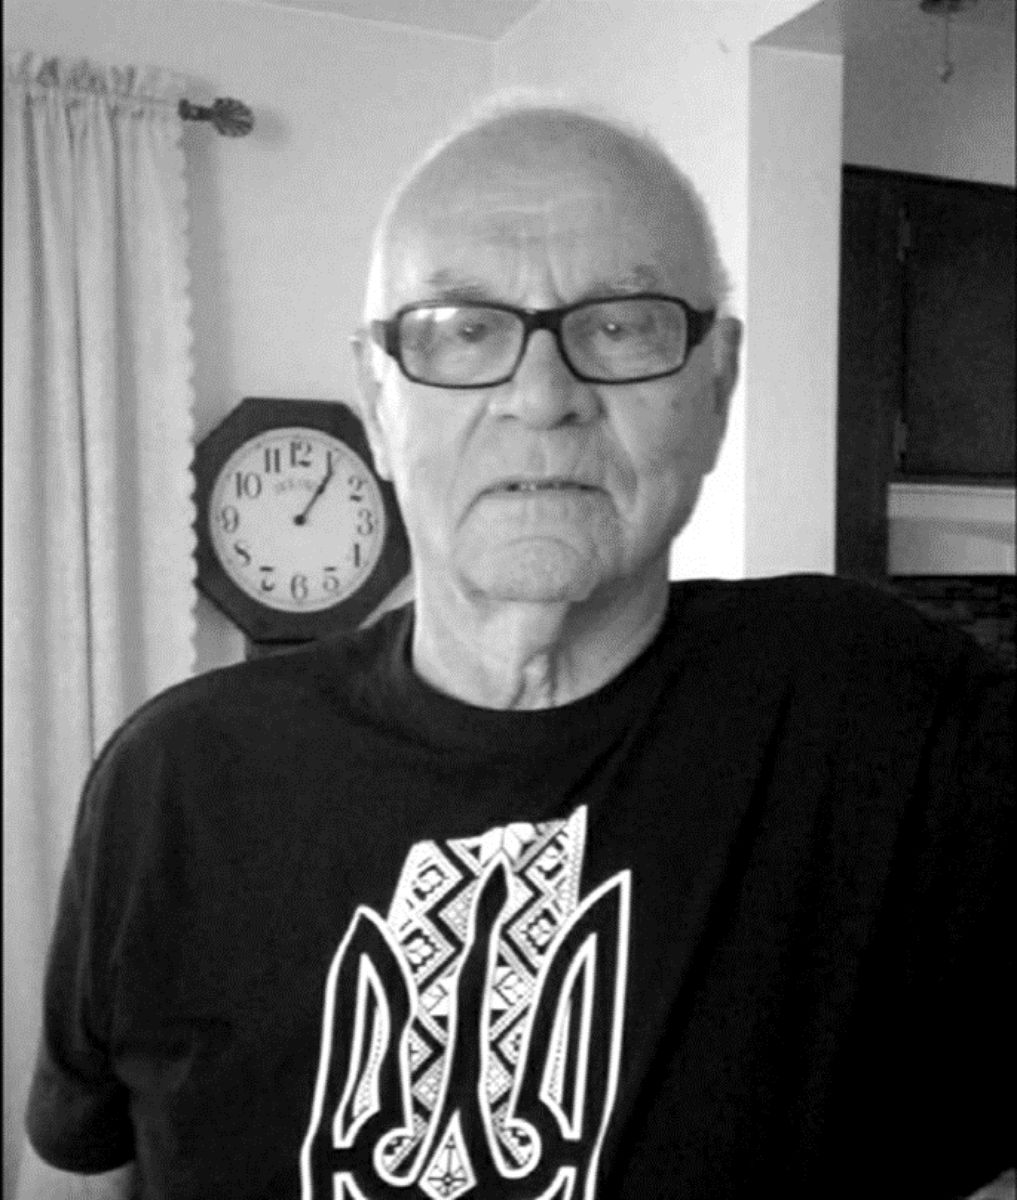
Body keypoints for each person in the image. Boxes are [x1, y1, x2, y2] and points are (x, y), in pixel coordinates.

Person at [19, 98, 1014, 1200]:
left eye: (621, 326)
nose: (542, 399)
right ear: (378, 401)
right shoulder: (175, 778)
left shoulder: (891, 721)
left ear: (716, 387)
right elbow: (79, 1177)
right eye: (461, 331)